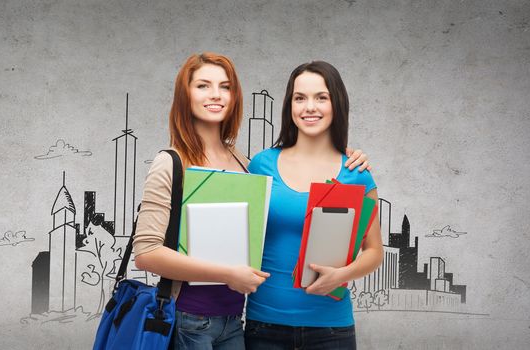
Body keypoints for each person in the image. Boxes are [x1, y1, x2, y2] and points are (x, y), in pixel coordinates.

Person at [133, 53, 371, 349]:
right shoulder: (170, 162)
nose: (215, 95)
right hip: (188, 319)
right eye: (203, 86)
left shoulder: (247, 165)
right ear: (185, 96)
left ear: (235, 97)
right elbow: (145, 254)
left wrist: (339, 154)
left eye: (225, 86)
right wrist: (227, 274)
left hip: (234, 322)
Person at [244, 61, 384, 350]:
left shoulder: (356, 173)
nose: (310, 107)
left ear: (337, 104)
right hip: (264, 326)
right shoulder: (261, 165)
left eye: (321, 97)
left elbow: (374, 251)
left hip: (331, 329)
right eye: (300, 98)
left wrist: (342, 275)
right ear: (289, 106)